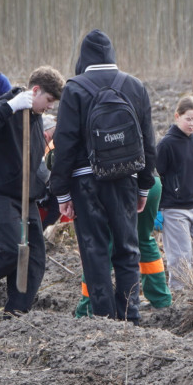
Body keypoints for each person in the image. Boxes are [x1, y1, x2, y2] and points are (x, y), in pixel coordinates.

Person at [49, 29, 157, 323]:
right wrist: (145, 186)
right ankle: (130, 315)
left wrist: (62, 193)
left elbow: (65, 142)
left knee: (94, 250)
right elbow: (148, 141)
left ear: (83, 57)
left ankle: (104, 318)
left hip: (86, 182)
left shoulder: (75, 87)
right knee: (128, 248)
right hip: (125, 179)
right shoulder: (135, 86)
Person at [0, 67, 65, 317]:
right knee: (12, 248)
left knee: (34, 255)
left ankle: (17, 309)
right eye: (49, 100)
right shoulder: (8, 105)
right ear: (35, 91)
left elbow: (35, 160)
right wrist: (11, 106)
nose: (50, 107)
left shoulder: (34, 118)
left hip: (26, 196)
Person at [76, 175, 172, 316]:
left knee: (101, 247)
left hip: (118, 185)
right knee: (143, 240)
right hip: (151, 181)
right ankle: (161, 300)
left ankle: (87, 307)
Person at [156, 95, 193, 289]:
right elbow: (157, 177)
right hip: (173, 209)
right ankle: (180, 294)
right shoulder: (166, 144)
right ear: (177, 116)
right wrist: (157, 208)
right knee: (181, 256)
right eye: (188, 119)